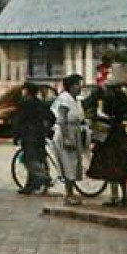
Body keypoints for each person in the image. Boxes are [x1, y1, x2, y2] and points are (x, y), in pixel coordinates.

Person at [86, 65, 127, 207]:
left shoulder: (103, 94)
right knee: (121, 165)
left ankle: (115, 196)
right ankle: (125, 195)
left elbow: (90, 107)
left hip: (107, 133)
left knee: (110, 166)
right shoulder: (122, 95)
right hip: (119, 133)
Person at [49, 74, 91, 205]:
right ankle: (69, 194)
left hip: (75, 131)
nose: (80, 87)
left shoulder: (76, 100)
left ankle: (71, 192)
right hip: (65, 132)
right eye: (77, 85)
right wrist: (66, 138)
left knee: (74, 163)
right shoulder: (64, 99)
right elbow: (62, 120)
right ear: (71, 86)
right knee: (68, 164)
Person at [13, 85, 55, 195]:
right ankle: (30, 185)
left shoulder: (25, 103)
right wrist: (47, 128)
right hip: (40, 135)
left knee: (29, 159)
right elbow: (51, 117)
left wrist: (16, 135)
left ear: (27, 92)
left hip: (28, 135)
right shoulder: (41, 103)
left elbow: (19, 120)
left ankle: (44, 177)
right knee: (40, 158)